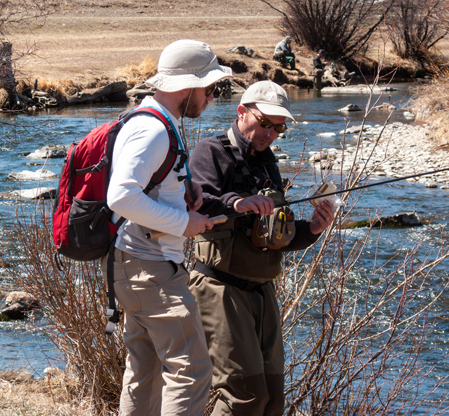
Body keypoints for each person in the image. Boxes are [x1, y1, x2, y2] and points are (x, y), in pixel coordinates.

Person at [187, 80, 335, 415]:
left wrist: (312, 229)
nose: (270, 133)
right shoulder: (210, 152)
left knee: (271, 399)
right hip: (220, 289)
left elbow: (276, 237)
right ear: (242, 112)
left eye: (278, 128)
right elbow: (198, 203)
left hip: (262, 293)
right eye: (264, 123)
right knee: (244, 397)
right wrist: (238, 202)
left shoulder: (269, 165)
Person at [104, 39, 232, 416]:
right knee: (191, 372)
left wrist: (184, 187)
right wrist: (184, 222)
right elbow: (122, 197)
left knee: (145, 372)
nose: (211, 98)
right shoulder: (154, 130)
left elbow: (147, 185)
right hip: (152, 268)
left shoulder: (154, 120)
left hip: (131, 266)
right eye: (210, 89)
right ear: (189, 85)